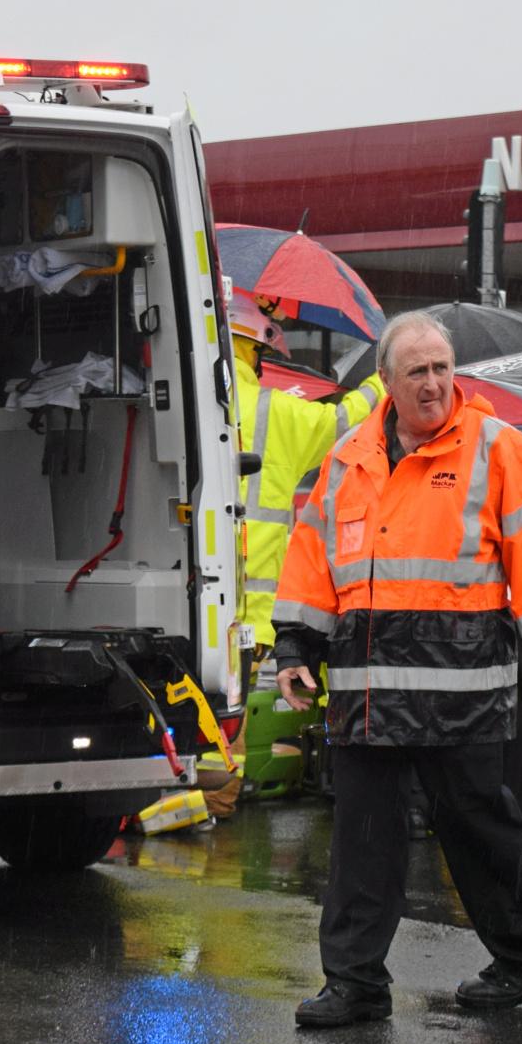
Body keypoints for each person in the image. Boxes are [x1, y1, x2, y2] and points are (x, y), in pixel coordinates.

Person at [273, 310, 522, 1027]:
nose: (436, 383)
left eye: (444, 368)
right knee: (362, 843)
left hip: (462, 693)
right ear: (387, 382)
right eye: (419, 371)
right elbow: (312, 564)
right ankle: (354, 983)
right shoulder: (349, 458)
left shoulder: (498, 448)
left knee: (478, 835)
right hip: (369, 691)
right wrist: (295, 648)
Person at [203, 290, 383, 816]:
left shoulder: (183, 396)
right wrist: (381, 377)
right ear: (254, 351)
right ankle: (211, 806)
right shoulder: (276, 413)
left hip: (179, 591)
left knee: (181, 703)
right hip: (246, 605)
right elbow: (346, 421)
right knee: (224, 716)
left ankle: (168, 796)